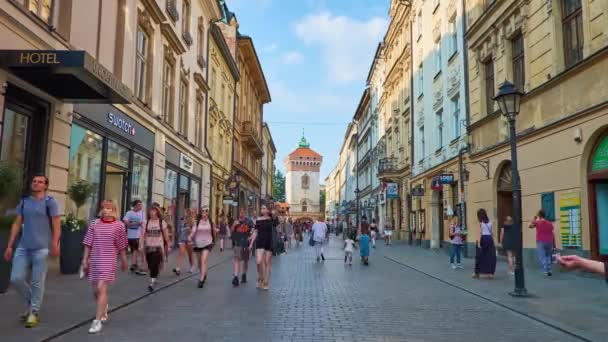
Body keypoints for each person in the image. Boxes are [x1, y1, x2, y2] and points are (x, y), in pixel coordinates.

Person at [4, 174, 60, 328]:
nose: (36, 183)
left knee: (37, 282)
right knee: (16, 278)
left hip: (42, 248)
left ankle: (34, 312)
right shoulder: (24, 202)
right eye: (34, 181)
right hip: (23, 246)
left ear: (45, 186)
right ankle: (31, 301)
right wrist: (9, 245)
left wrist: (55, 243)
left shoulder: (50, 203)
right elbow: (17, 224)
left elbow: (56, 224)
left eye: (40, 182)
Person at [81, 200, 128, 334]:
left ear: (114, 210)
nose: (106, 210)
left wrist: (124, 260)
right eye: (104, 208)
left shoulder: (119, 225)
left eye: (109, 208)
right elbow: (88, 243)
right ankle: (103, 306)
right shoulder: (94, 224)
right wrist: (85, 260)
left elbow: (122, 244)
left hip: (109, 260)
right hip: (95, 260)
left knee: (102, 288)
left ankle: (97, 321)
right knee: (96, 291)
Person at [140, 206, 170, 292]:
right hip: (149, 247)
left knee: (154, 263)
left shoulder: (161, 222)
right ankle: (155, 276)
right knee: (150, 265)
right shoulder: (146, 222)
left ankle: (152, 282)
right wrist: (141, 245)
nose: (152, 213)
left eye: (154, 211)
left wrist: (168, 246)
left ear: (157, 212)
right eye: (151, 211)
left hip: (158, 247)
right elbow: (142, 235)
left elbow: (166, 236)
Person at [189, 206, 215, 288]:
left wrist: (214, 240)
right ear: (201, 213)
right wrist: (190, 236)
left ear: (207, 213)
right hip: (197, 244)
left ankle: (201, 280)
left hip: (207, 243)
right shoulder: (197, 222)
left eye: (205, 211)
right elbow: (193, 231)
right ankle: (203, 274)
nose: (204, 213)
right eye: (203, 212)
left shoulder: (210, 222)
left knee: (204, 260)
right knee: (200, 263)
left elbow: (213, 232)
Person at [249, 205, 273, 290]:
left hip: (269, 242)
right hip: (260, 242)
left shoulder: (272, 219)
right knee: (259, 262)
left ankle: (266, 282)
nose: (262, 210)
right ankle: (260, 277)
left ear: (268, 210)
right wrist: (251, 243)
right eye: (261, 208)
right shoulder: (258, 220)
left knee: (267, 262)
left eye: (264, 208)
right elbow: (255, 232)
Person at [122, 200, 146, 275]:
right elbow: (126, 222)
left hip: (139, 235)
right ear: (134, 205)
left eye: (141, 205)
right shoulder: (129, 213)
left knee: (139, 250)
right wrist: (135, 223)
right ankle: (134, 264)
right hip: (130, 235)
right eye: (139, 205)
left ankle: (137, 264)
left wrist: (143, 232)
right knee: (134, 250)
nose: (140, 207)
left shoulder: (142, 213)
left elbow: (143, 223)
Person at [528, 209, 555, 276]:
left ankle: (546, 270)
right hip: (549, 241)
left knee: (542, 256)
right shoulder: (549, 223)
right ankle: (549, 269)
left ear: (539, 215)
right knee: (548, 255)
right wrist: (553, 243)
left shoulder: (537, 222)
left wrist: (534, 218)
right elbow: (552, 232)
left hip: (540, 241)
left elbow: (529, 226)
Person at [473, 209, 496, 279]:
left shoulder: (480, 223)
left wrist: (478, 242)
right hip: (489, 239)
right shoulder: (491, 222)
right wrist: (493, 241)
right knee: (491, 256)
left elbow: (480, 233)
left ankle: (476, 273)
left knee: (480, 256)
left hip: (483, 238)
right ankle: (491, 273)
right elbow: (492, 233)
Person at [173, 208, 195, 276]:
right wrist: (176, 235)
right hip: (182, 238)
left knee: (190, 254)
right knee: (181, 253)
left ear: (188, 213)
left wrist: (190, 230)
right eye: (184, 212)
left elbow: (193, 230)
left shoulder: (192, 221)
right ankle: (178, 268)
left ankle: (192, 266)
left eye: (185, 212)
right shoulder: (181, 220)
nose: (184, 213)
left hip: (189, 239)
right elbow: (179, 230)